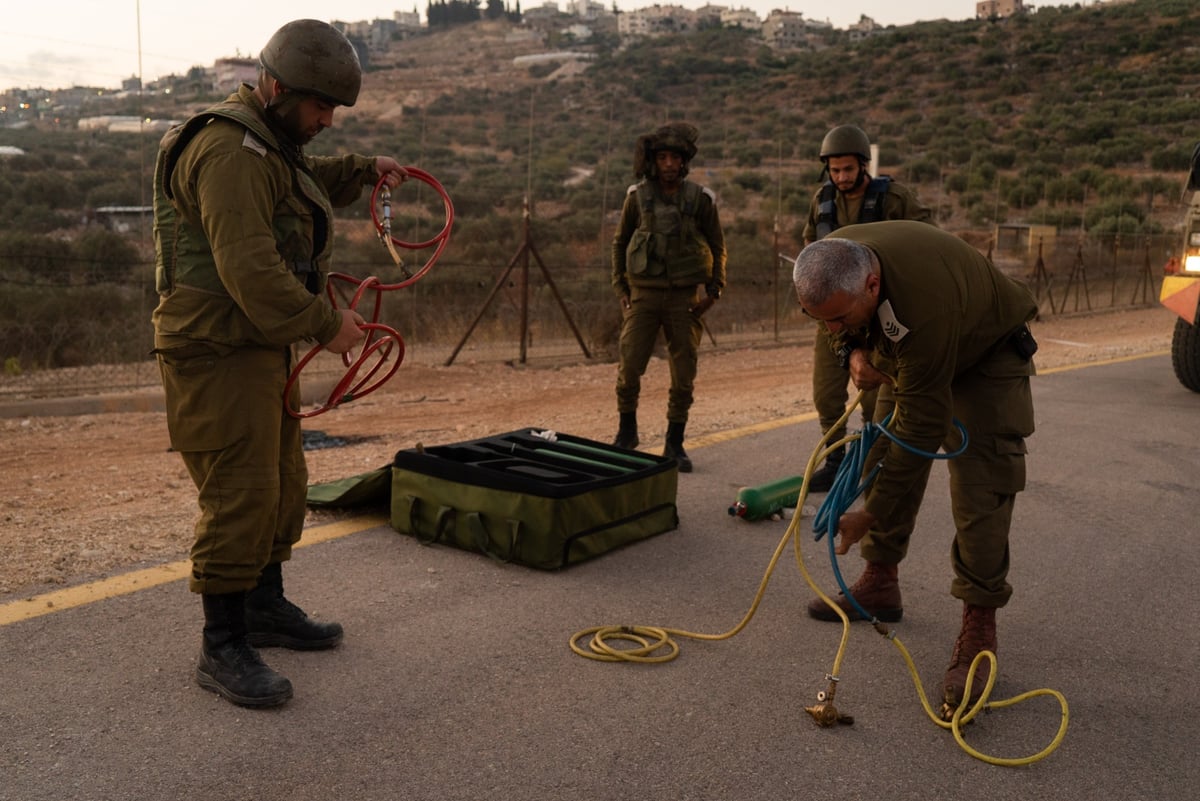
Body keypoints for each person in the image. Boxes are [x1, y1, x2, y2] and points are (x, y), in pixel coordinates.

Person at [151, 19, 410, 708]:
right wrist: (329, 326)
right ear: (275, 87)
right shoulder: (229, 152)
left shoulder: (267, 143)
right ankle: (223, 644)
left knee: (281, 480)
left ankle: (264, 606)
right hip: (216, 351)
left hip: (256, 345)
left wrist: (362, 169)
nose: (326, 119)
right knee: (239, 490)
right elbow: (254, 271)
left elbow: (301, 180)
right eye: (319, 106)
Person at [792, 221, 1038, 713]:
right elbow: (837, 325)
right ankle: (880, 583)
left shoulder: (925, 309)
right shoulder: (835, 260)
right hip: (907, 350)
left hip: (984, 357)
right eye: (821, 320)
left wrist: (871, 512)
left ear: (872, 285)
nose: (830, 328)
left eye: (840, 318)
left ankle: (979, 629)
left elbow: (921, 431)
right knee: (876, 450)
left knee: (980, 490)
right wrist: (852, 350)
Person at [801, 124, 933, 492]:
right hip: (834, 318)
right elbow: (810, 250)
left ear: (863, 165)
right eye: (834, 170)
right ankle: (836, 460)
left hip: (878, 316)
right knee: (826, 394)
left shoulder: (894, 199)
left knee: (874, 394)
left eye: (847, 169)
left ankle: (871, 461)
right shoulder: (821, 201)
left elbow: (926, 241)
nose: (841, 177)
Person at [610, 122, 727, 473]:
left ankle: (674, 444)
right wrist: (621, 288)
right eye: (662, 157)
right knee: (629, 366)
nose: (669, 164)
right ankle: (626, 433)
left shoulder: (700, 199)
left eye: (675, 157)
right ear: (653, 161)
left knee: (684, 372)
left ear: (684, 161)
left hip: (683, 299)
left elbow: (718, 245)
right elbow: (620, 242)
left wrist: (715, 290)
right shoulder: (637, 197)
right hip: (643, 296)